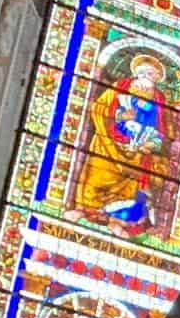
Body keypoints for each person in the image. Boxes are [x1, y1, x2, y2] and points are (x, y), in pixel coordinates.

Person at [74, 52, 173, 231]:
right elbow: (98, 108)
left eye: (151, 74)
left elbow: (164, 132)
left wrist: (151, 144)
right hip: (108, 145)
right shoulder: (120, 86)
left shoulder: (159, 100)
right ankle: (86, 211)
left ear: (158, 78)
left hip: (138, 152)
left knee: (129, 191)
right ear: (136, 72)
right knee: (95, 181)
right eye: (143, 72)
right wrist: (120, 115)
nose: (146, 76)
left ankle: (117, 221)